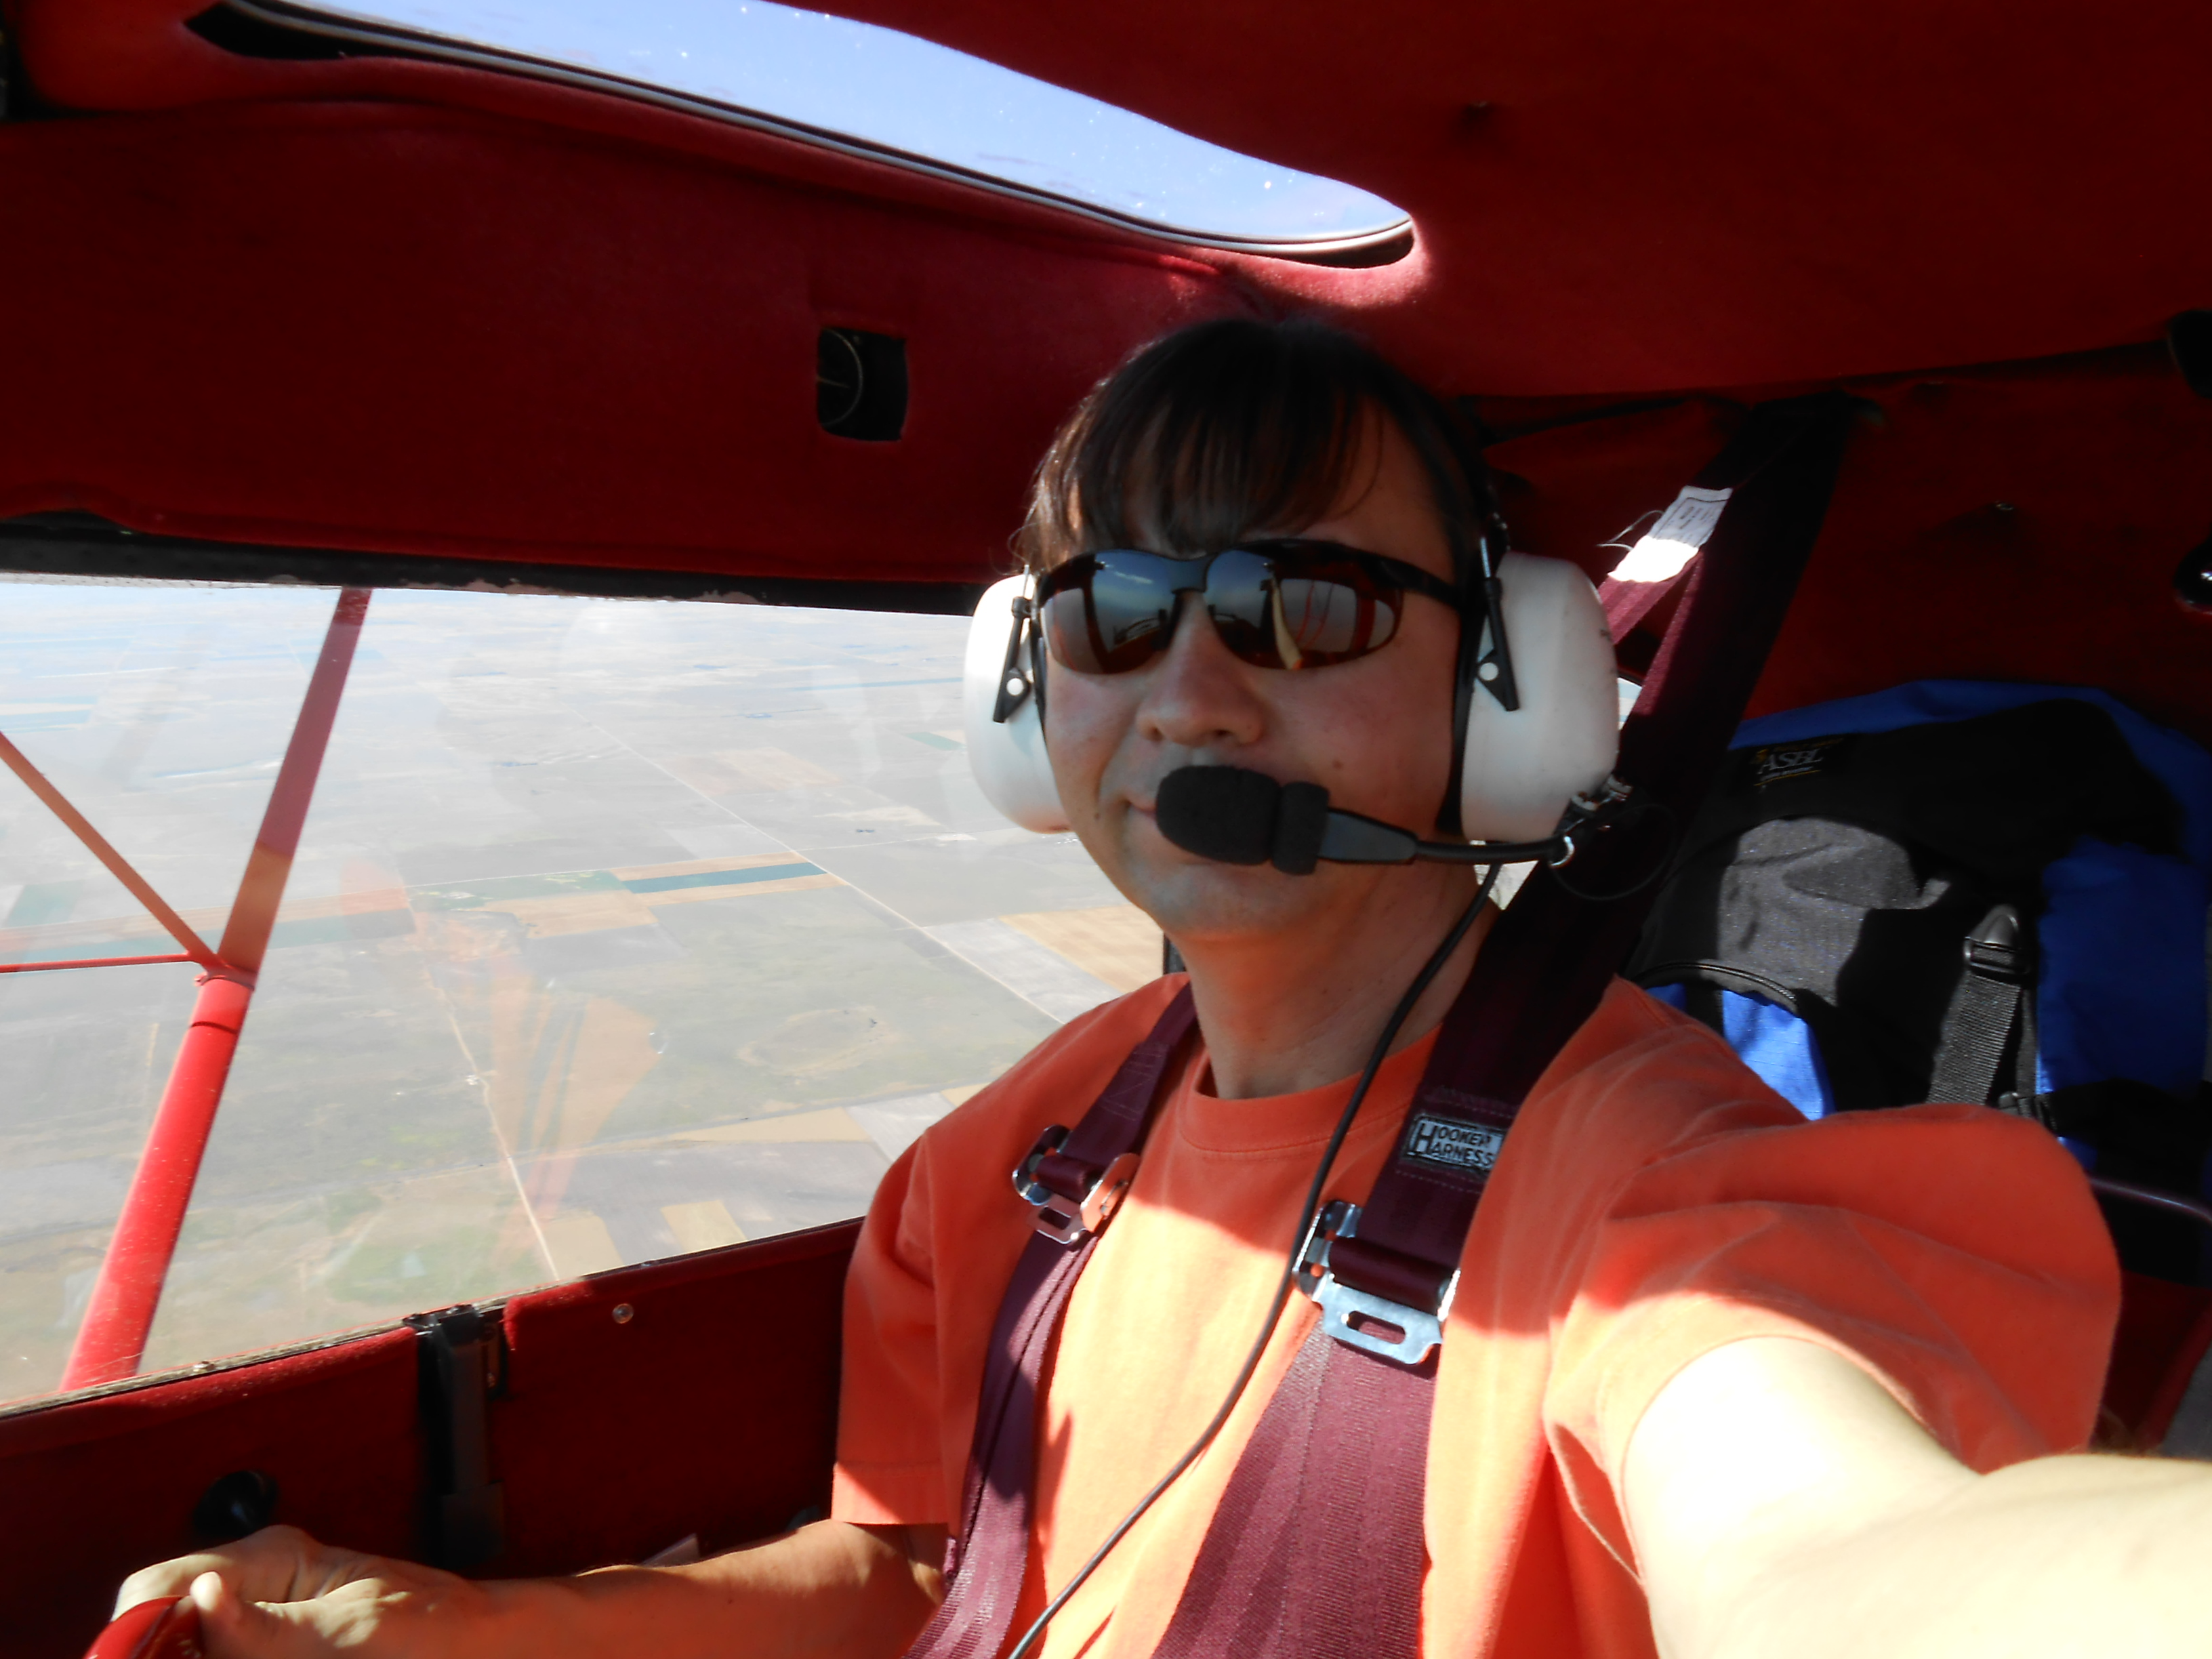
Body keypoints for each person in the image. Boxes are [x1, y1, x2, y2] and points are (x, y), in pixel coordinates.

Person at [113, 319, 2200, 1659]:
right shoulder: (1008, 1161)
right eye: (1114, 612)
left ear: (1510, 697)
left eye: (1310, 602)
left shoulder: (1653, 1205)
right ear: (1032, 702)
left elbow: (1838, 1553)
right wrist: (460, 1629)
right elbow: (924, 1570)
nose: (1191, 691)